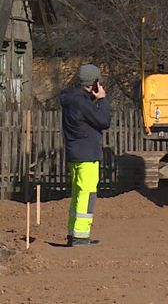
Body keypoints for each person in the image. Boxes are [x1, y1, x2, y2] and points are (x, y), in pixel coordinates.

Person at [60, 64, 111, 247]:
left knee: (78, 194)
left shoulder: (71, 99)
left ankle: (73, 233)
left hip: (75, 153)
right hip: (87, 155)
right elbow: (104, 121)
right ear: (93, 83)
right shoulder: (82, 102)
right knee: (87, 194)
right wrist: (102, 100)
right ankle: (81, 236)